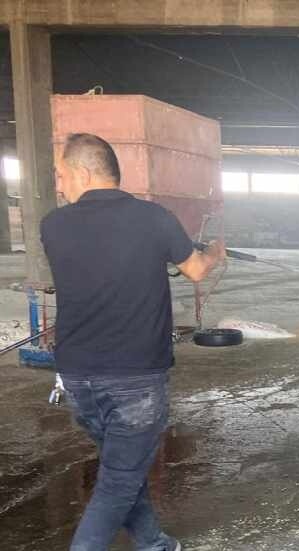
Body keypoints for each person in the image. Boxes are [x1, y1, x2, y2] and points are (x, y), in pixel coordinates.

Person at [41, 133, 225, 551]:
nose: (60, 183)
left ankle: (154, 543)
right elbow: (195, 270)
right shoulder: (154, 218)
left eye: (62, 174)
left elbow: (105, 254)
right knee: (117, 484)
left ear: (84, 173)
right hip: (135, 379)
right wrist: (215, 252)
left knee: (122, 469)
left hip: (77, 379)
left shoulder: (52, 225)